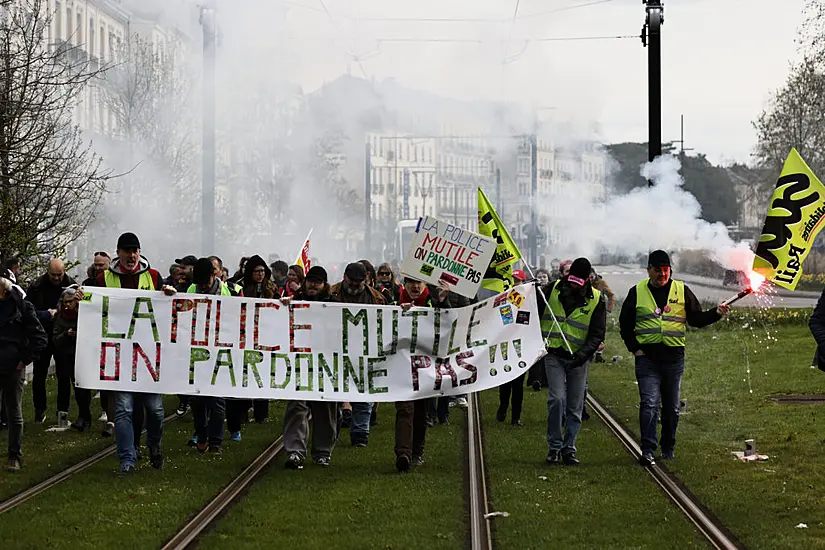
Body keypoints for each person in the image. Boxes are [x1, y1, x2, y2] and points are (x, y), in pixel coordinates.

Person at [619, 250, 730, 466]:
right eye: (658, 270)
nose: (662, 274)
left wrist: (716, 313)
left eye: (666, 270)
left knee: (671, 407)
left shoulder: (681, 290)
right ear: (648, 270)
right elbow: (625, 324)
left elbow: (696, 319)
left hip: (673, 360)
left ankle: (668, 447)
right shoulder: (637, 292)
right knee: (649, 404)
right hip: (647, 360)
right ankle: (647, 449)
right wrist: (634, 348)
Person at [85, 232, 175, 473]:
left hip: (148, 357)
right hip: (120, 357)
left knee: (155, 410)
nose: (131, 256)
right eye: (127, 251)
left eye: (135, 251)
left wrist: (168, 294)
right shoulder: (104, 279)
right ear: (118, 253)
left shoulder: (153, 276)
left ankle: (154, 445)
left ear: (139, 252)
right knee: (124, 408)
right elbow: (94, 308)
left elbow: (165, 312)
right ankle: (127, 457)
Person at [541, 258, 606, 466]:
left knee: (575, 406)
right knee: (557, 399)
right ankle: (554, 446)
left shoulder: (597, 299)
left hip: (578, 358)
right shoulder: (552, 289)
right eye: (571, 280)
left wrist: (582, 356)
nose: (573, 285)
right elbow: (531, 307)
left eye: (578, 282)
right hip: (553, 353)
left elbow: (597, 334)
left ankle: (569, 448)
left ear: (588, 280)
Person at [283, 266, 340, 469]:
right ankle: (295, 451)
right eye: (310, 281)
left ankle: (323, 451)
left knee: (324, 407)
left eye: (317, 282)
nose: (313, 285)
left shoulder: (334, 304)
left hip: (324, 363)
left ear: (324, 284)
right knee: (297, 405)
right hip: (299, 362)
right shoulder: (295, 300)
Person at [394, 278, 450, 472]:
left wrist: (443, 302)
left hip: (425, 367)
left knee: (420, 411)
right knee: (404, 409)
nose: (415, 287)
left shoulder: (432, 302)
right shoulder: (394, 301)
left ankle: (417, 452)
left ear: (425, 285)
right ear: (404, 284)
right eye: (411, 283)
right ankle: (403, 453)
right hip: (401, 366)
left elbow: (447, 324)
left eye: (419, 283)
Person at [187, 258, 240, 453]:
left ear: (214, 276)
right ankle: (202, 435)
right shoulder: (190, 290)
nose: (200, 287)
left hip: (220, 352)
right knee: (198, 400)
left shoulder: (231, 292)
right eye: (198, 284)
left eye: (204, 283)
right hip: (197, 352)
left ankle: (215, 441)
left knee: (217, 401)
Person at [330, 262, 387, 447]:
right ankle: (334, 431)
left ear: (366, 280)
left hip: (365, 351)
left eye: (359, 282)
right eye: (351, 281)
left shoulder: (377, 298)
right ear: (344, 277)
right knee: (335, 392)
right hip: (336, 349)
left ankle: (360, 434)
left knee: (363, 392)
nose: (354, 285)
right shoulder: (331, 294)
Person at [0, 269, 47, 472]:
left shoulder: (22, 306)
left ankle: (14, 455)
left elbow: (39, 337)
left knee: (14, 411)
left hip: (13, 366)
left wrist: (23, 360)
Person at [26, 258, 76, 423]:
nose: (56, 278)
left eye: (59, 274)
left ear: (64, 271)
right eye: (53, 275)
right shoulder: (36, 286)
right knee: (39, 375)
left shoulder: (72, 286)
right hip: (43, 335)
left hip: (63, 337)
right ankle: (39, 410)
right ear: (47, 272)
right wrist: (47, 314)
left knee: (64, 375)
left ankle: (63, 412)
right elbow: (28, 311)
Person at [52, 286, 93, 431]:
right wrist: (66, 335)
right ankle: (63, 416)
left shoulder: (83, 314)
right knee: (63, 386)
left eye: (71, 302)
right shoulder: (59, 317)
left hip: (80, 356)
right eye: (65, 302)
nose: (68, 305)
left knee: (81, 388)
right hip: (64, 357)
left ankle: (85, 416)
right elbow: (55, 339)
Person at [497, 269, 528, 425]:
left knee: (518, 384)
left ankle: (516, 417)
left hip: (521, 346)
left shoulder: (528, 298)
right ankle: (503, 405)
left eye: (518, 281)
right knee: (505, 379)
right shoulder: (504, 298)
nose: (515, 283)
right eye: (513, 280)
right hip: (505, 344)